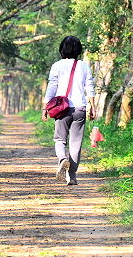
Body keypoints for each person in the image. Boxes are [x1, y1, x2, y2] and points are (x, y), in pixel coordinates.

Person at [41, 36, 95, 185]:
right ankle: (72, 176)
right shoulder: (84, 66)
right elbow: (89, 87)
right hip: (80, 108)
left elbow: (52, 86)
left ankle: (62, 159)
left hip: (62, 108)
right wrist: (93, 108)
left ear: (62, 49)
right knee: (76, 142)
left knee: (59, 139)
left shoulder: (57, 65)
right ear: (78, 50)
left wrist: (45, 107)